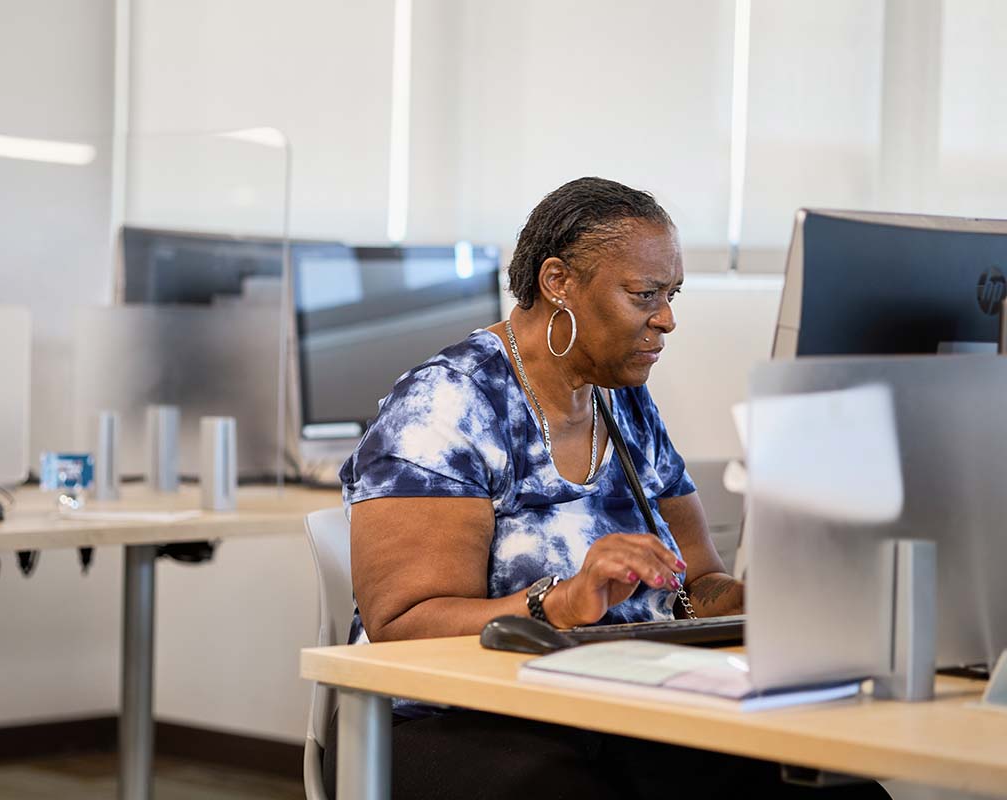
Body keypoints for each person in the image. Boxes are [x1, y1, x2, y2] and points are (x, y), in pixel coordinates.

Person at [325, 177, 889, 799]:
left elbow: (696, 585)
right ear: (558, 282)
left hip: (606, 711)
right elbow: (402, 626)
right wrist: (562, 604)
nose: (667, 318)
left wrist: (766, 598)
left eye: (671, 294)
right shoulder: (446, 404)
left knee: (832, 787)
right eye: (645, 294)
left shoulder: (625, 404)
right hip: (441, 723)